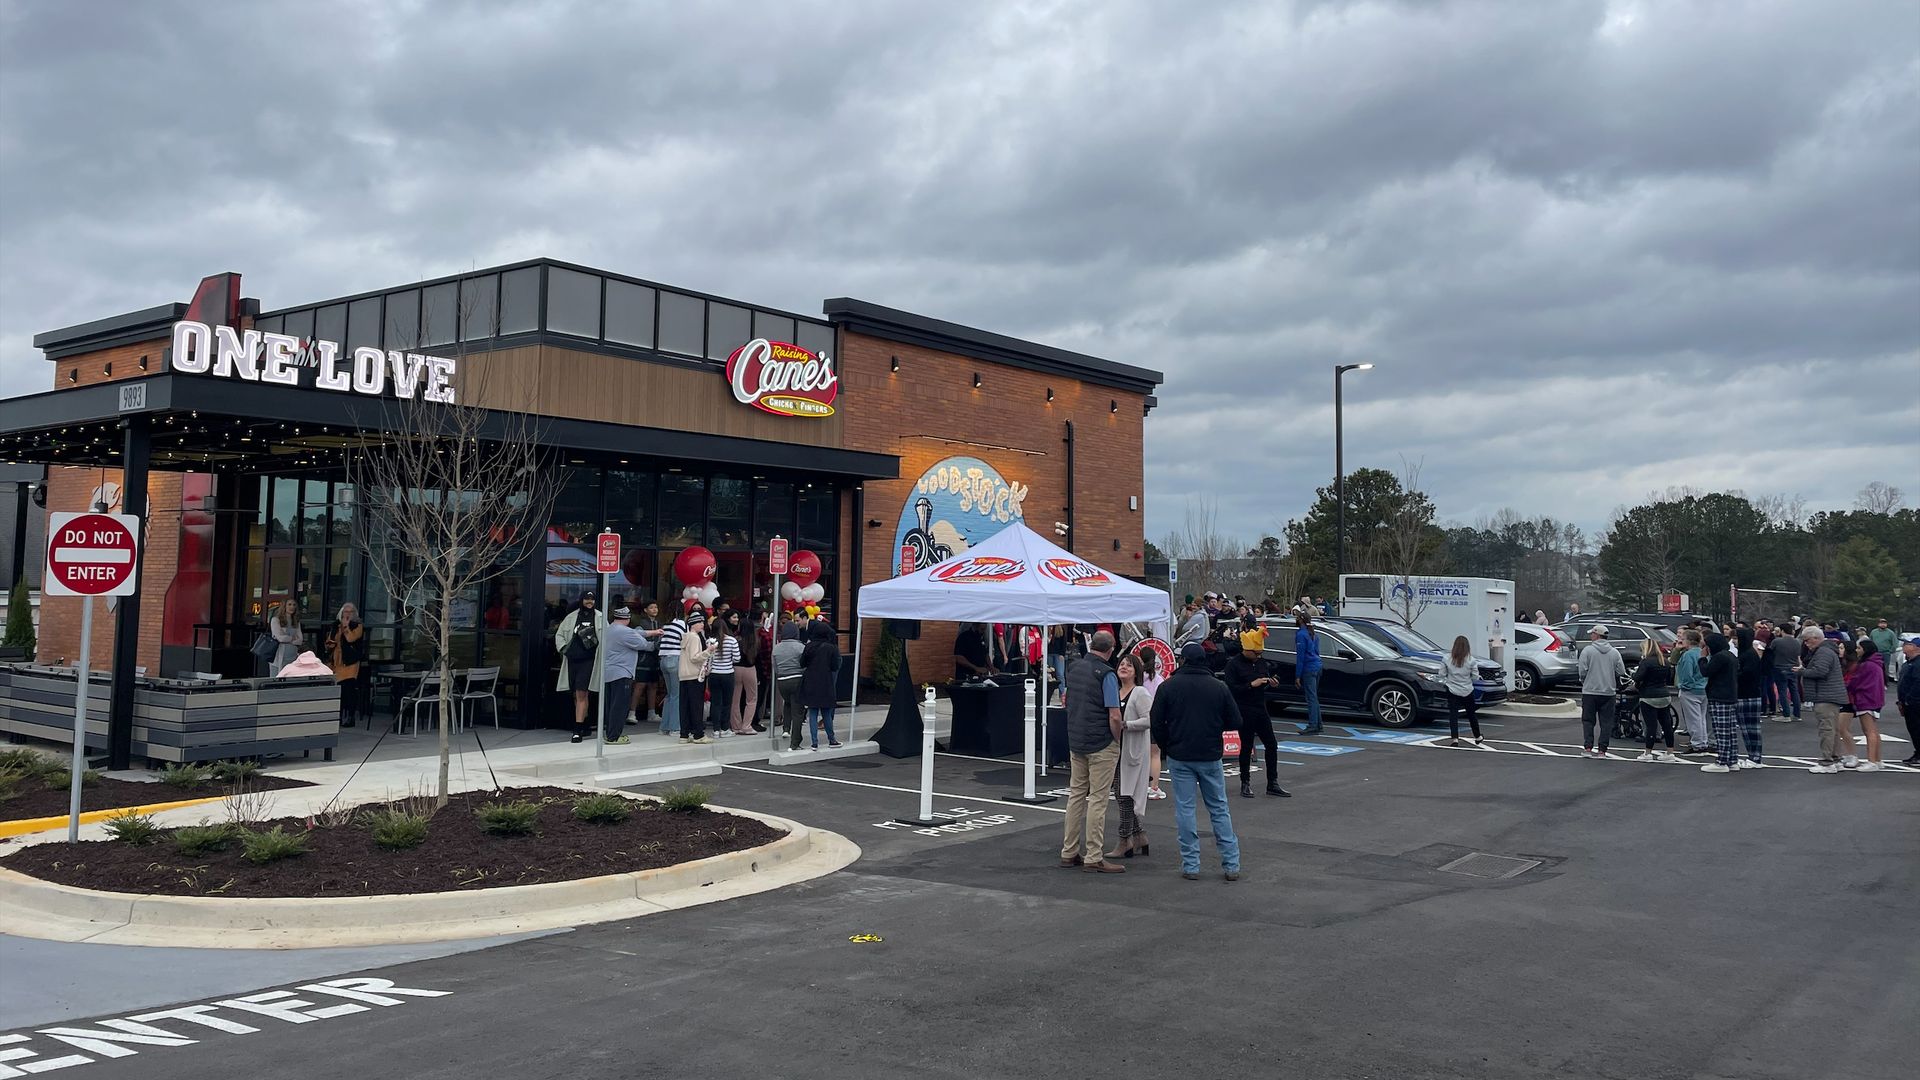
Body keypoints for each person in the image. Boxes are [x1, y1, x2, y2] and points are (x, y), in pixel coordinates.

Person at [1149, 642, 1244, 882]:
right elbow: (1235, 721)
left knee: (1185, 809)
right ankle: (1231, 863)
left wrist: (1166, 744)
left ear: (1183, 661)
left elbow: (1156, 721)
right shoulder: (1218, 687)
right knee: (1219, 808)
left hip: (1180, 754)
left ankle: (1191, 864)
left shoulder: (1168, 687)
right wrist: (1214, 727)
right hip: (1210, 753)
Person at [1057, 630, 1125, 874]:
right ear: (1112, 648)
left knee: (1076, 795)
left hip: (1077, 738)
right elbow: (1114, 714)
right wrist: (1117, 738)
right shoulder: (1106, 673)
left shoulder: (1074, 668)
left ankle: (1069, 851)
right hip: (1100, 742)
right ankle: (1094, 855)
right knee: (1098, 798)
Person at [1222, 630, 1288, 797]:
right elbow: (1232, 689)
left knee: (1271, 744)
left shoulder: (1261, 663)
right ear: (1247, 650)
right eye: (1256, 653)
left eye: (1261, 653)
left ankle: (1272, 782)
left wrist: (1270, 683)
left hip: (1260, 708)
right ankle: (1245, 782)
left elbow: (1264, 680)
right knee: (1246, 746)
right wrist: (1251, 684)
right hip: (1243, 709)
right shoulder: (1233, 665)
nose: (1259, 656)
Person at [1107, 652, 1155, 860]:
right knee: (1121, 793)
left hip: (1132, 751)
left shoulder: (1140, 693)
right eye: (1121, 664)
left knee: (1125, 795)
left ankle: (1124, 839)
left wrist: (1126, 725)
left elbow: (1148, 720)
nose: (1124, 667)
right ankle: (1139, 835)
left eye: (1129, 665)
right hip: (1116, 750)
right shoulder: (1115, 692)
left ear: (1137, 671)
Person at [553, 592, 606, 744]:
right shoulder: (571, 617)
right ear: (581, 600)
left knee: (582, 693)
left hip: (590, 661)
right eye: (587, 599)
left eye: (592, 599)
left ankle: (577, 731)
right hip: (572, 660)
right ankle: (584, 722)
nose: (589, 602)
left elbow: (608, 637)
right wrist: (564, 649)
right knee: (576, 694)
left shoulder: (600, 617)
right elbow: (559, 635)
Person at [1799, 625, 1848, 773]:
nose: (1806, 644)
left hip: (1825, 695)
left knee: (1826, 729)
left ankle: (1827, 762)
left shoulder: (1823, 652)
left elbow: (1820, 671)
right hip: (1830, 695)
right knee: (1832, 730)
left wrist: (1802, 671)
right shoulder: (1828, 650)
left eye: (1807, 641)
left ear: (1816, 638)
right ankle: (1836, 759)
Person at [600, 605, 646, 745]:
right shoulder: (625, 632)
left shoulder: (610, 629)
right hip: (622, 672)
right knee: (619, 706)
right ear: (627, 619)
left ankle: (609, 733)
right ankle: (614, 736)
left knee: (611, 705)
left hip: (609, 673)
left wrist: (652, 632)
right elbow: (642, 644)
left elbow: (634, 634)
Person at [1577, 624, 1626, 759]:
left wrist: (1584, 680)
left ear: (1596, 635)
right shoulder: (1614, 652)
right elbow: (1621, 671)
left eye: (1592, 634)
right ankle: (1602, 750)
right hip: (1608, 692)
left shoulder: (1587, 651)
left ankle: (1588, 747)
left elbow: (1582, 670)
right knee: (1606, 722)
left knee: (1588, 721)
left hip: (1590, 691)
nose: (1590, 636)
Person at [1844, 639, 1887, 772]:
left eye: (1859, 648)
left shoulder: (1866, 665)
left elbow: (1857, 682)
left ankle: (1871, 761)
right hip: (1874, 700)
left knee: (1869, 731)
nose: (1856, 650)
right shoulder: (1876, 663)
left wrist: (1847, 687)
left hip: (1866, 700)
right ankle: (1878, 760)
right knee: (1874, 731)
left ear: (1865, 649)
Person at [322, 603, 366, 729]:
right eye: (345, 611)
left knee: (348, 689)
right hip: (337, 661)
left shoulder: (357, 625)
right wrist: (330, 643)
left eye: (350, 611)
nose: (347, 614)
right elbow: (330, 640)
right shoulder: (336, 624)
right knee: (338, 690)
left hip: (350, 661)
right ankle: (338, 716)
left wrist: (346, 626)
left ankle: (350, 716)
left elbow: (351, 638)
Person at [1700, 632, 1739, 773]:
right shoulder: (1731, 656)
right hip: (1730, 696)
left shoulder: (1719, 657)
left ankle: (1721, 761)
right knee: (1730, 731)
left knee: (1721, 730)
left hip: (1719, 696)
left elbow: (1706, 672)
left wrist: (1702, 659)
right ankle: (1732, 760)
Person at [1633, 638, 1678, 761]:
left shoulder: (1646, 662)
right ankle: (1670, 752)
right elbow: (1669, 678)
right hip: (1664, 695)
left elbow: (1638, 677)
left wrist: (1633, 675)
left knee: (1651, 725)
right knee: (1667, 725)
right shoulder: (1665, 661)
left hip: (1648, 696)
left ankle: (1648, 753)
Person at [799, 620, 841, 749]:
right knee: (826, 711)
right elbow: (835, 666)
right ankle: (831, 739)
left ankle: (814, 742)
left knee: (812, 711)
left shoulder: (809, 646)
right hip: (826, 681)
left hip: (811, 681)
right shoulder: (831, 648)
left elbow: (802, 663)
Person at [1438, 634, 1483, 746]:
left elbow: (1441, 674)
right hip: (1467, 689)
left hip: (1452, 689)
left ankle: (1455, 739)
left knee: (1453, 714)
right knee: (1471, 714)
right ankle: (1477, 736)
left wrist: (1448, 680)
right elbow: (1475, 677)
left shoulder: (1446, 658)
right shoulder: (1471, 660)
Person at [677, 608, 713, 744]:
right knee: (696, 705)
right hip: (694, 675)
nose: (702, 624)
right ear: (693, 624)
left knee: (685, 706)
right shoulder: (694, 637)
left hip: (684, 675)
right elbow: (695, 657)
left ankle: (684, 734)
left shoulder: (686, 636)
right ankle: (698, 734)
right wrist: (708, 651)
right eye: (700, 622)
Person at [1732, 627, 1766, 768]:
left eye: (1736, 638)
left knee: (1750, 728)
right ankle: (1753, 756)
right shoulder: (1747, 653)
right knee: (1748, 728)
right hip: (1748, 694)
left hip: (1748, 695)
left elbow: (1746, 674)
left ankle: (1755, 757)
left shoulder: (1748, 655)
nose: (1733, 641)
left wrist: (1733, 674)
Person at [1674, 629, 1712, 754]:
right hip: (1703, 688)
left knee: (1693, 719)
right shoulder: (1703, 653)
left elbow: (1686, 674)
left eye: (1683, 639)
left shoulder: (1688, 655)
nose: (1681, 641)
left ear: (1689, 641)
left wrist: (1684, 685)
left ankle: (1697, 744)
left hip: (1690, 690)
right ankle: (1703, 741)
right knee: (1701, 718)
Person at [773, 622, 807, 749]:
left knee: (787, 703)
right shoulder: (800, 647)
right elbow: (804, 665)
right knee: (798, 712)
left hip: (782, 680)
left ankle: (786, 728)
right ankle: (795, 742)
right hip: (797, 679)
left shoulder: (776, 648)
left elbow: (775, 668)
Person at [657, 605, 686, 738]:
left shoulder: (665, 626)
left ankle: (664, 726)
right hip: (675, 658)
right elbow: (685, 641)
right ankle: (675, 727)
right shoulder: (681, 624)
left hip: (663, 659)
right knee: (677, 695)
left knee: (669, 695)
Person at [706, 617, 739, 739]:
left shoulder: (709, 641)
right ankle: (725, 728)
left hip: (714, 674)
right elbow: (737, 658)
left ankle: (715, 730)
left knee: (715, 702)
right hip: (727, 674)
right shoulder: (731, 640)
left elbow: (708, 657)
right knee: (726, 703)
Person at [1294, 609, 1324, 735]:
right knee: (1314, 697)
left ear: (1301, 620)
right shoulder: (1313, 634)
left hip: (1309, 667)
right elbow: (1316, 651)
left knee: (1311, 697)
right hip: (1317, 665)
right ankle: (1318, 724)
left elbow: (1300, 657)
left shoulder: (1301, 635)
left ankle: (1313, 724)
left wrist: (1297, 676)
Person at [635, 600, 664, 724]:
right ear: (645, 610)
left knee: (653, 686)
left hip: (655, 658)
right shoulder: (640, 623)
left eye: (656, 607)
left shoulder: (659, 623)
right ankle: (632, 712)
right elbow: (636, 637)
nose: (655, 610)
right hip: (643, 658)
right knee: (639, 686)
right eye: (651, 607)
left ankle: (651, 713)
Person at [1768, 620, 1802, 722]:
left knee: (1782, 691)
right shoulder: (1797, 642)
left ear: (1782, 630)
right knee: (1794, 691)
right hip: (1793, 667)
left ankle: (1786, 714)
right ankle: (1797, 714)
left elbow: (1770, 651)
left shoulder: (1777, 641)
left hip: (1780, 667)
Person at [733, 620, 763, 734]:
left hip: (736, 669)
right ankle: (746, 726)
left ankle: (736, 726)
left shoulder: (736, 640)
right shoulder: (755, 642)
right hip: (750, 669)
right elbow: (759, 661)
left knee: (735, 700)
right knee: (751, 699)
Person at [1897, 637, 1920, 765]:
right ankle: (1918, 752)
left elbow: (1918, 683)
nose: (1904, 646)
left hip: (1915, 703)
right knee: (1913, 729)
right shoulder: (1908, 663)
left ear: (1916, 647)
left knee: (1917, 728)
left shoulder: (1918, 663)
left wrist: (1909, 699)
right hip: (1907, 703)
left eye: (1908, 644)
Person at [268, 598, 303, 676]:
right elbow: (279, 638)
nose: (292, 607)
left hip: (292, 654)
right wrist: (292, 638)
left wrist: (287, 639)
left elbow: (300, 640)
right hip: (279, 653)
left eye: (294, 605)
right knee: (277, 676)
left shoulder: (296, 621)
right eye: (289, 604)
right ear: (284, 606)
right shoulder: (276, 620)